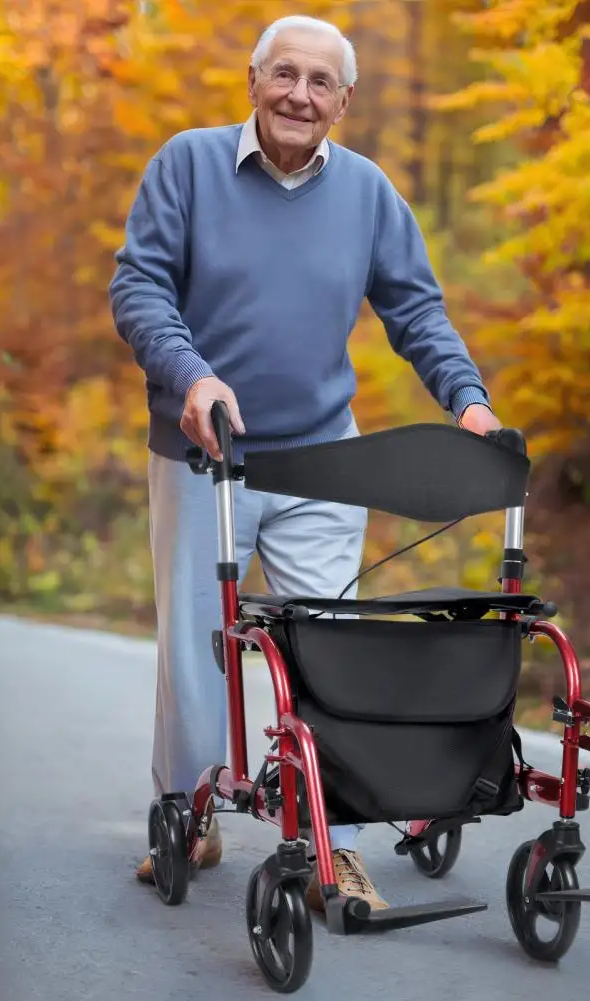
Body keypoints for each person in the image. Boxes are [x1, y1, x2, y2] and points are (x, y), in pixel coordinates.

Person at [109, 13, 502, 914]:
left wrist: (468, 401)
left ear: (344, 101)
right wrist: (192, 377)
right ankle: (193, 812)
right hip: (203, 457)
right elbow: (139, 286)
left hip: (323, 460)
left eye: (320, 82)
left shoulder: (366, 192)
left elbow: (417, 310)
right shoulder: (189, 164)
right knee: (199, 653)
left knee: (330, 652)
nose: (299, 94)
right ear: (252, 80)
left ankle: (340, 843)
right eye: (284, 74)